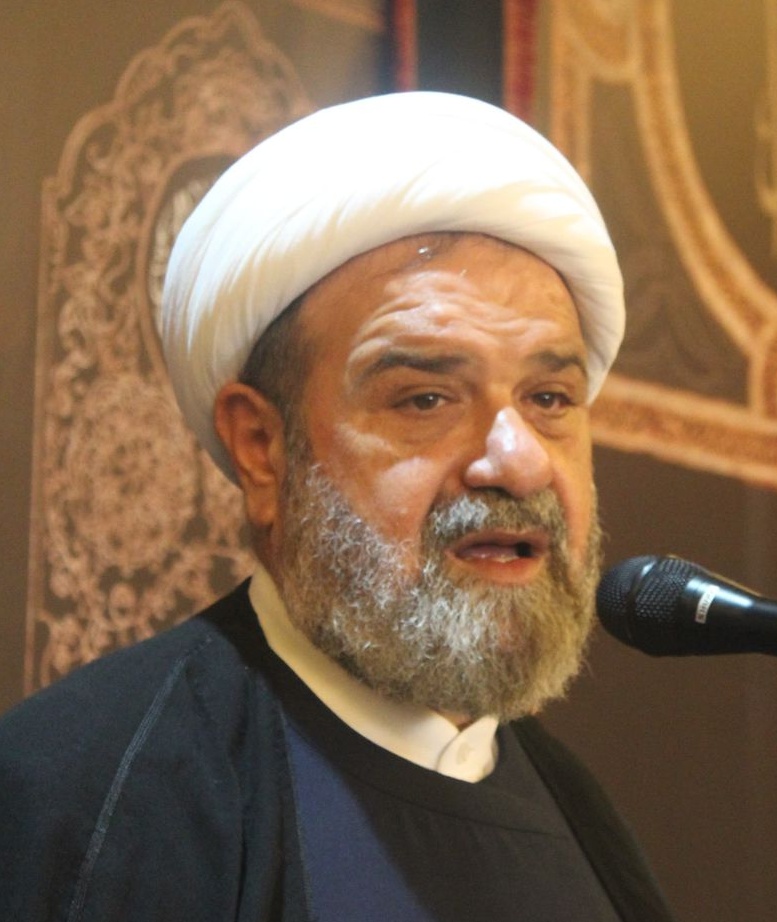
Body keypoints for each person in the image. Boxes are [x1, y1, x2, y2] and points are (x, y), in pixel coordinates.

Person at [0, 92, 675, 921]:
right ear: (261, 446)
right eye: (426, 399)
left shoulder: (583, 823)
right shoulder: (99, 793)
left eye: (548, 399)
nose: (520, 461)